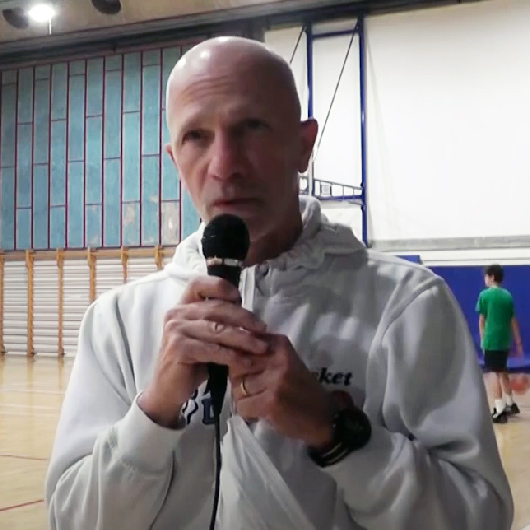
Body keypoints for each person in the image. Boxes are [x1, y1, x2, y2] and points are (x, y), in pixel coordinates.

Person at [45, 36, 513, 530]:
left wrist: (336, 433)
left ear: (304, 145)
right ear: (175, 159)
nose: (224, 166)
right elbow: (72, 521)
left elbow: (478, 518)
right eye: (196, 137)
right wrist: (154, 413)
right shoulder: (118, 323)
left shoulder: (407, 307)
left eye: (251, 127)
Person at [476, 264, 524, 423]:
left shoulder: (484, 295)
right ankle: (510, 403)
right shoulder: (507, 296)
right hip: (505, 340)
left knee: (492, 373)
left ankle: (499, 410)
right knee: (502, 370)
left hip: (492, 339)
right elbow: (513, 320)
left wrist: (483, 341)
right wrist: (518, 340)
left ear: (491, 277)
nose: (484, 279)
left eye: (485, 276)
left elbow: (482, 321)